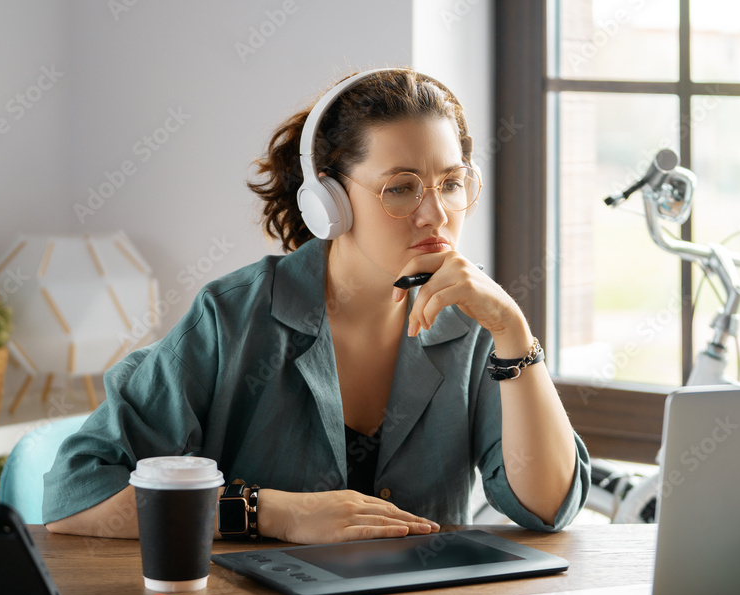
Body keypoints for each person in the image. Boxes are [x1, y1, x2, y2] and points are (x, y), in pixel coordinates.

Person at [43, 67, 591, 544]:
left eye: (450, 184)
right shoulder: (232, 318)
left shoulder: (472, 324)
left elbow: (547, 508)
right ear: (329, 201)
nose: (435, 213)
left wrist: (514, 332)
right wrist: (275, 513)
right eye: (401, 188)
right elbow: (76, 496)